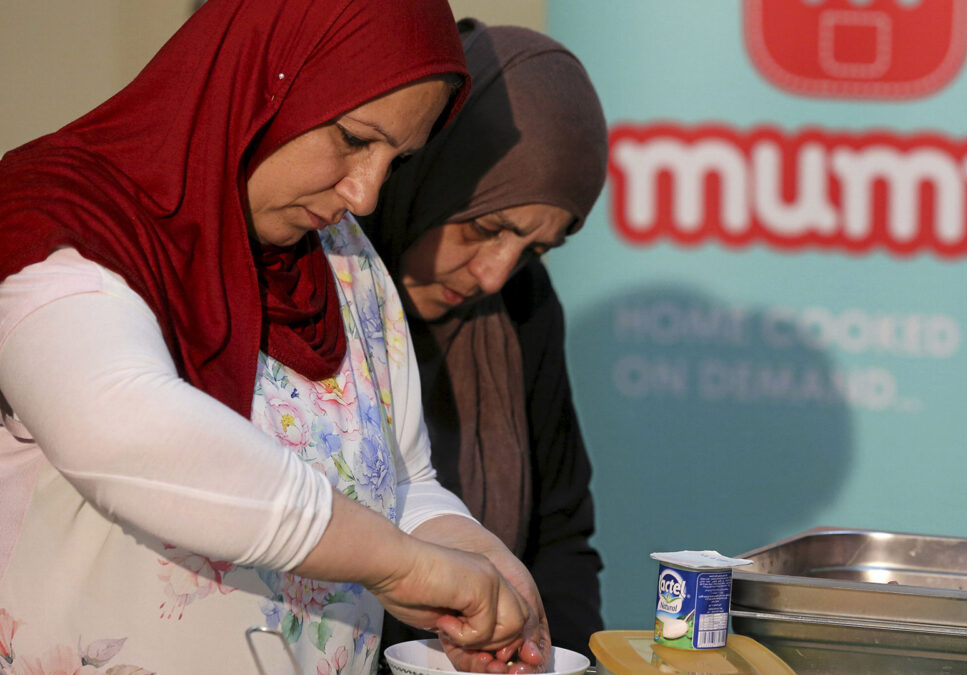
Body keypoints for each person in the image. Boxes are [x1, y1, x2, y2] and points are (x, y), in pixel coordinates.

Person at [0, 1, 547, 673]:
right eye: (352, 137)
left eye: (396, 159)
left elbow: (398, 479)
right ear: (267, 79)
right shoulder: (56, 217)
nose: (367, 192)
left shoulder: (342, 259)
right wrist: (401, 565)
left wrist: (472, 553)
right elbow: (122, 427)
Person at [358, 19, 609, 660]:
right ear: (425, 170)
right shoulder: (318, 285)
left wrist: (553, 662)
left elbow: (560, 535)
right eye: (485, 227)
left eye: (535, 248)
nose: (495, 273)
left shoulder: (522, 306)